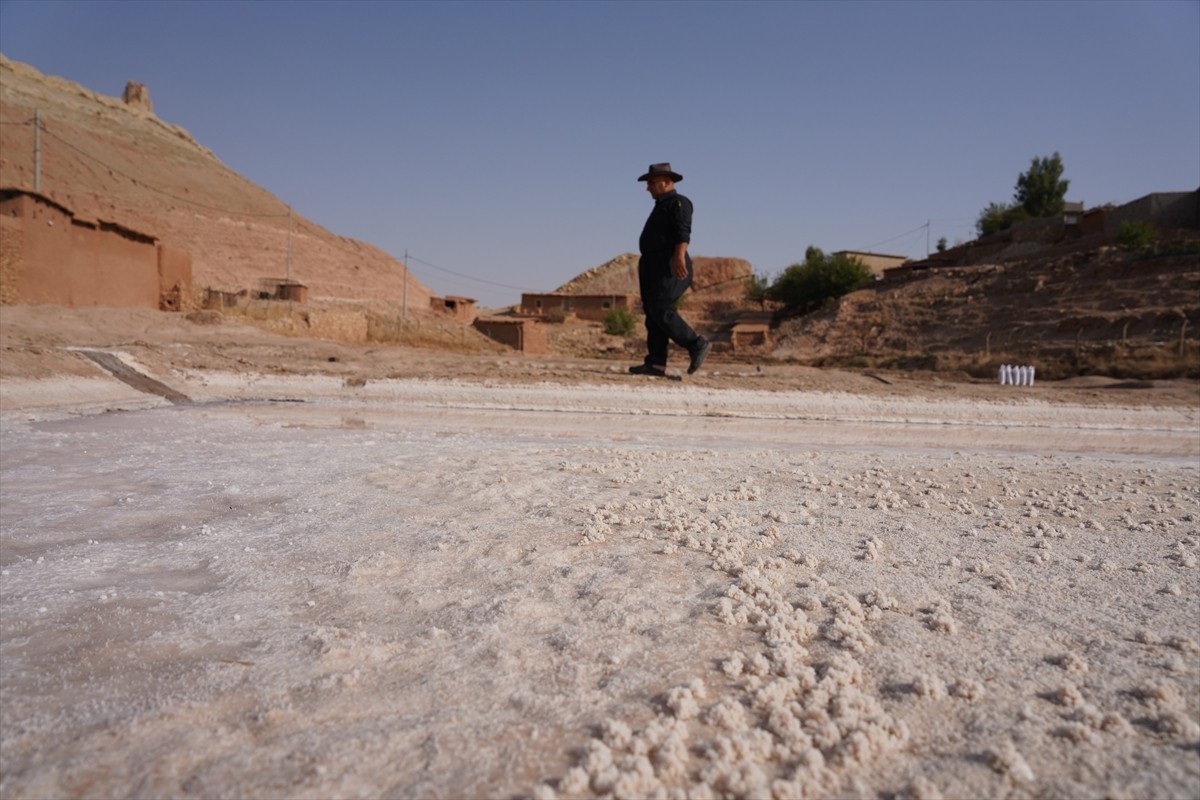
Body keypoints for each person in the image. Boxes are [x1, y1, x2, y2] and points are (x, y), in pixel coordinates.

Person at [629, 162, 710, 380]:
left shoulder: (679, 202)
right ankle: (655, 364)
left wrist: (679, 255)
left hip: (670, 262)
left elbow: (683, 231)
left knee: (662, 308)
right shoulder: (660, 205)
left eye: (651, 183)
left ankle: (696, 344)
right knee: (653, 313)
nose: (648, 188)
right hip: (652, 264)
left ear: (666, 182)